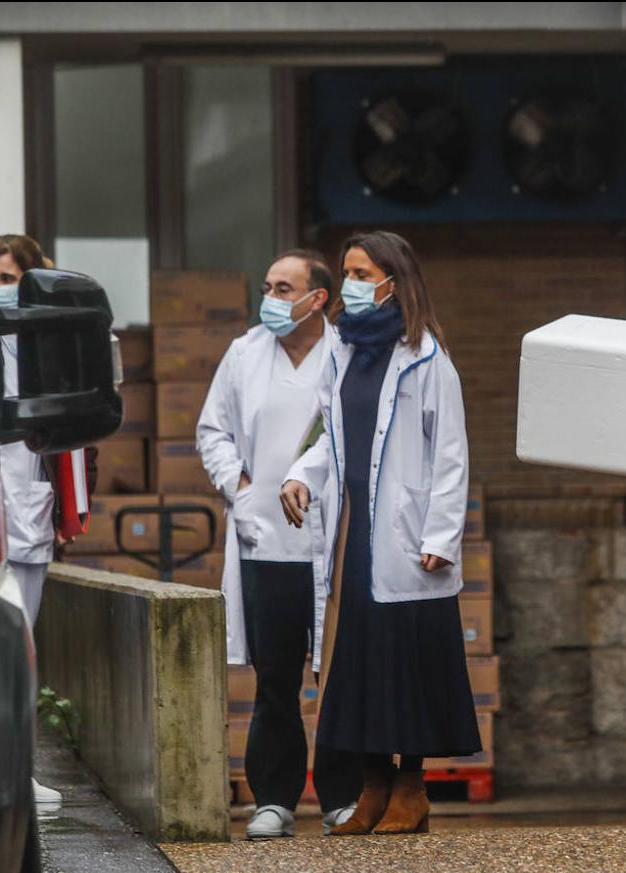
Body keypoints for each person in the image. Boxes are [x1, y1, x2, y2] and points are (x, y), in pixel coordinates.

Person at [280, 231, 480, 836]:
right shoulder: (341, 352)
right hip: (353, 535)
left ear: (394, 281)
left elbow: (451, 456)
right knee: (357, 661)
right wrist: (300, 477)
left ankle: (410, 789)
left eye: (363, 274)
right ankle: (371, 788)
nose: (352, 285)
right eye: (348, 273)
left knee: (405, 661)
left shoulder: (427, 359)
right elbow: (330, 439)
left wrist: (442, 536)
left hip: (407, 536)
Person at [197, 248, 360, 839]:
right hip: (263, 539)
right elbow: (212, 429)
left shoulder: (346, 355)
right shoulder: (245, 354)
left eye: (283, 288)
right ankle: (275, 798)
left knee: (338, 674)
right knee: (275, 681)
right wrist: (240, 488)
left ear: (318, 299)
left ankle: (343, 795)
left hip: (331, 543)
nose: (270, 297)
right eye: (266, 285)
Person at [0, 233, 96, 808]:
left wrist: (78, 501)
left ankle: (16, 771)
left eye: (10, 280)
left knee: (20, 648)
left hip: (28, 516)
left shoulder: (53, 348)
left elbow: (80, 432)